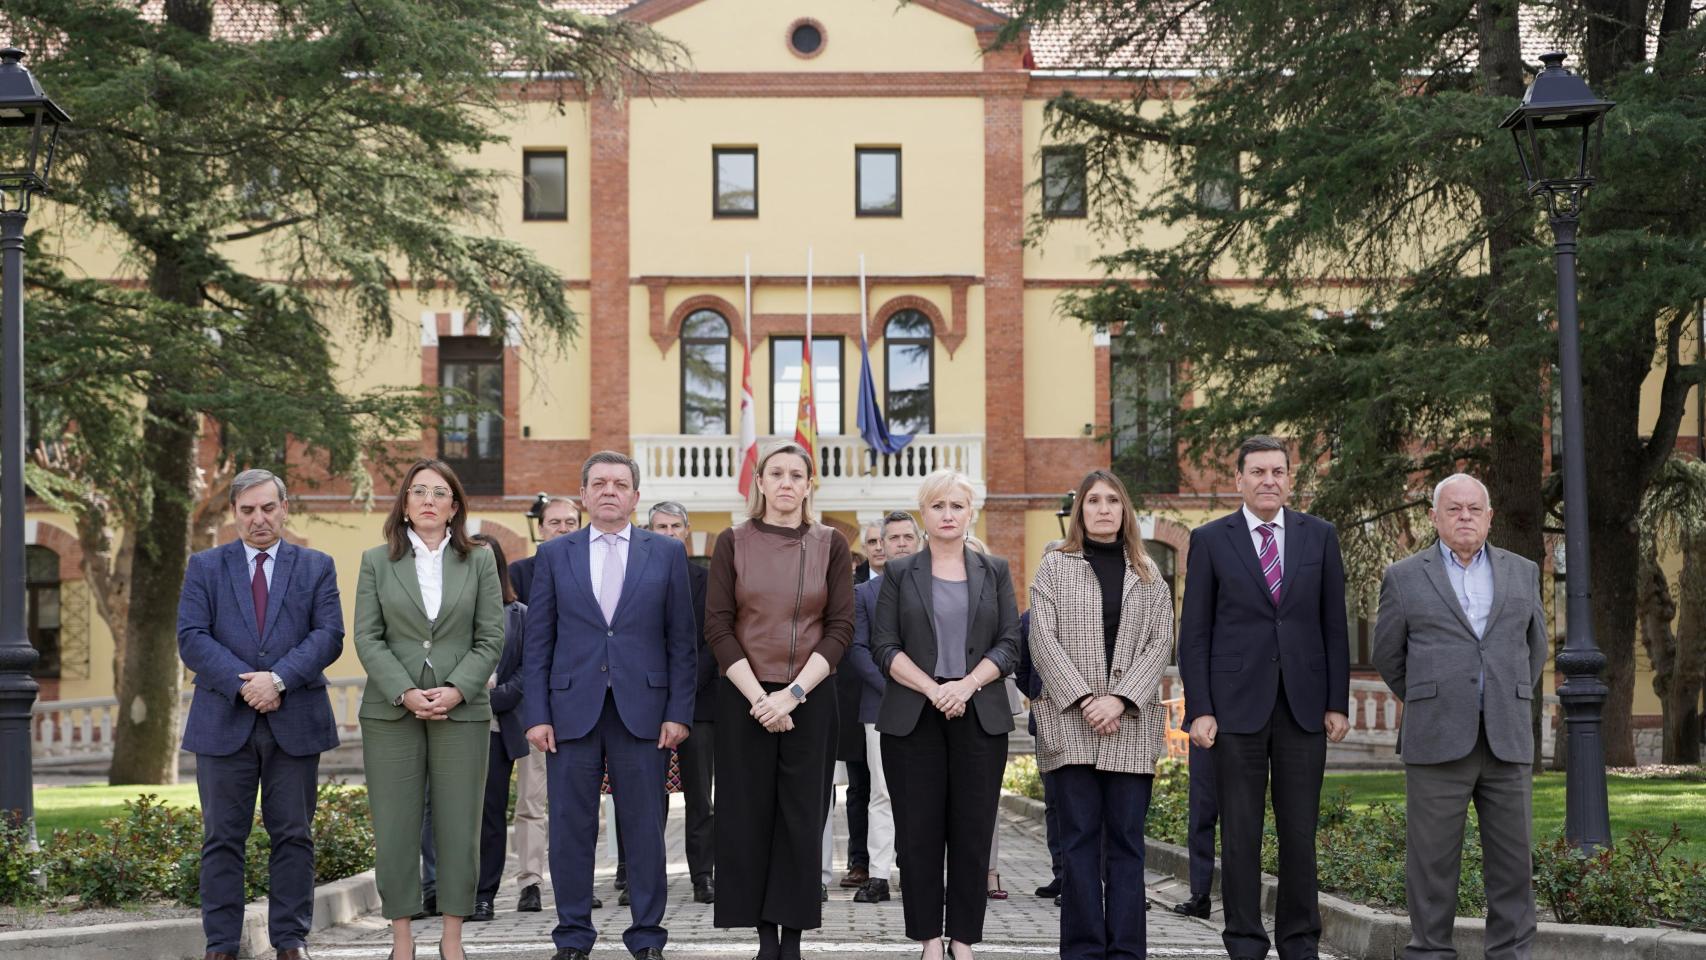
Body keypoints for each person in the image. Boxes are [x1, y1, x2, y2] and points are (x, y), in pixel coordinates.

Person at [1179, 435, 1350, 960]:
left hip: (1303, 707)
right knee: (1241, 833)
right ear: (1239, 480)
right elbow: (1195, 633)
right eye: (1257, 472)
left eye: (1277, 471)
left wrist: (1336, 702)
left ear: (1289, 478)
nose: (1268, 480)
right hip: (1233, 708)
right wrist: (1200, 709)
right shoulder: (1210, 540)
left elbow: (1333, 626)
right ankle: (1246, 943)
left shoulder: (1319, 537)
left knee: (1299, 834)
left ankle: (1300, 942)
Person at [521, 451, 698, 960]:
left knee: (644, 830)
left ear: (635, 497)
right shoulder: (556, 555)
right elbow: (539, 642)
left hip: (644, 713)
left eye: (620, 484)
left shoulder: (664, 554)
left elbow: (681, 640)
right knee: (570, 831)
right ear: (583, 495)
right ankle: (573, 938)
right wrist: (536, 714)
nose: (609, 491)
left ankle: (646, 938)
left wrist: (678, 712)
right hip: (570, 712)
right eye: (598, 483)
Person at [1372, 474, 1548, 960]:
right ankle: (1429, 953)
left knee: (1514, 866)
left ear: (1490, 517)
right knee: (1431, 867)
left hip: (1506, 741)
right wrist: (1432, 697)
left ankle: (1511, 954)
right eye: (1454, 509)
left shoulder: (1523, 571)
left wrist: (1503, 696)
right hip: (1436, 740)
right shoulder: (1404, 577)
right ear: (1435, 518)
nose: (1465, 517)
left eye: (1474, 509)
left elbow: (1536, 650)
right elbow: (1388, 654)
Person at [177, 469, 345, 960]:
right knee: (221, 838)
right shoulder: (205, 567)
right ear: (235, 513)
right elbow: (192, 636)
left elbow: (328, 634)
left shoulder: (316, 566)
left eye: (268, 508)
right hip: (222, 721)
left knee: (294, 834)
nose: (258, 519)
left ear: (284, 507)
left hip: (296, 718)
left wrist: (278, 679)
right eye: (248, 510)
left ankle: (290, 941)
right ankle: (222, 945)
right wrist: (244, 684)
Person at [705, 440, 855, 960]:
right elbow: (719, 626)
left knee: (801, 817)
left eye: (797, 474)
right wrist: (760, 698)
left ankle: (791, 939)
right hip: (745, 696)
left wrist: (790, 696)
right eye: (777, 473)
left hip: (809, 696)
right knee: (748, 817)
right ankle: (763, 940)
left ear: (808, 485)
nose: (787, 482)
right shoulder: (733, 541)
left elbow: (840, 628)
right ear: (761, 483)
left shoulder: (831, 543)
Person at [354, 458, 506, 960]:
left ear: (454, 507)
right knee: (396, 826)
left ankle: (453, 938)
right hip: (391, 712)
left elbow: (491, 636)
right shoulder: (377, 561)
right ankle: (401, 940)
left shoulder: (479, 560)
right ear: (403, 504)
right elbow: (367, 637)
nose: (427, 500)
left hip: (461, 711)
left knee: (460, 825)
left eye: (439, 493)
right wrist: (404, 691)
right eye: (417, 491)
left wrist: (459, 689)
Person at [871, 470, 1020, 960]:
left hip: (979, 715)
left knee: (973, 831)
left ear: (970, 512)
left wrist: (965, 686)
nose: (948, 514)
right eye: (938, 506)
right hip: (914, 718)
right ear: (924, 515)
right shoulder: (899, 573)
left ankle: (962, 939)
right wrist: (934, 689)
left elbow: (1009, 644)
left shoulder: (994, 569)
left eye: (957, 505)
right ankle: (929, 940)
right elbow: (884, 646)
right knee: (918, 835)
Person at [1027, 470, 1174, 960]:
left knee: (1127, 847)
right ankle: (1085, 951)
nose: (1104, 508)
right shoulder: (1054, 567)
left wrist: (1121, 698)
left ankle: (1128, 951)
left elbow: (1160, 643)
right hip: (1070, 726)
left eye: (1113, 500)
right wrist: (1087, 699)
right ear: (1080, 511)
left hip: (1130, 726)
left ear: (1124, 510)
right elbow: (1041, 639)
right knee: (1080, 844)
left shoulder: (1150, 574)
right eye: (1094, 501)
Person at [508, 495, 579, 912]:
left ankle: (577, 881)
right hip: (530, 702)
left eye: (571, 521)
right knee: (532, 798)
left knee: (576, 801)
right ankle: (530, 882)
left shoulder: (595, 567)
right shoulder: (521, 573)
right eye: (555, 522)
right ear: (541, 527)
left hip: (579, 702)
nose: (563, 528)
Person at [844, 510, 918, 905]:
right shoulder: (863, 595)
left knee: (924, 793)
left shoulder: (934, 586)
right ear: (881, 545)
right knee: (883, 793)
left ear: (917, 541)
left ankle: (919, 872)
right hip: (881, 706)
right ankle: (878, 875)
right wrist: (894, 687)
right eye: (894, 538)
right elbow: (857, 650)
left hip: (931, 704)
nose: (901, 543)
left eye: (908, 537)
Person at [645, 500, 717, 904]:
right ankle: (645, 875)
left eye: (675, 526)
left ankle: (703, 875)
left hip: (700, 704)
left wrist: (681, 693)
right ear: (649, 531)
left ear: (686, 531)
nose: (669, 533)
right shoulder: (635, 578)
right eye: (660, 526)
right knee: (647, 795)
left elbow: (711, 643)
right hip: (645, 704)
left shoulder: (704, 580)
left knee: (700, 796)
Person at [470, 533, 529, 923]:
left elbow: (528, 670)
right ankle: (447, 890)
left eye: (487, 560)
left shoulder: (520, 615)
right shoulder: (446, 612)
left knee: (490, 814)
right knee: (452, 815)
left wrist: (492, 697)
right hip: (449, 726)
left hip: (494, 728)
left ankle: (484, 895)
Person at [1013, 539, 1066, 906]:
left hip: (1092, 720)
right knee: (1054, 803)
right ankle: (1062, 874)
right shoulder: (1029, 618)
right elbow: (1020, 667)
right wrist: (1038, 697)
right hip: (1047, 722)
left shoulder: (1088, 607)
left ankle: (1093, 878)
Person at [834, 522, 884, 894]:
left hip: (916, 699)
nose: (880, 547)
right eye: (872, 542)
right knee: (860, 785)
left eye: (886, 539)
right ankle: (859, 860)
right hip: (859, 697)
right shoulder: (854, 590)